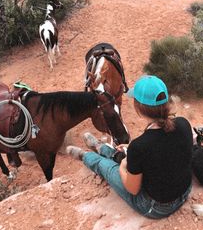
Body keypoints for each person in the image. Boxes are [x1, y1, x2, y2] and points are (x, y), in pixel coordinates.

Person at [67, 75, 193, 219]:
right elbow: (162, 148)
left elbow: (132, 189)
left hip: (157, 208)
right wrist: (132, 151)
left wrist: (123, 166)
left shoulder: (140, 146)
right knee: (128, 155)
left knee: (108, 167)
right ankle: (101, 148)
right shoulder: (183, 123)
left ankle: (87, 156)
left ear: (138, 107)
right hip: (184, 191)